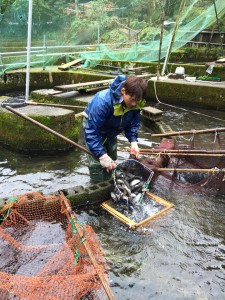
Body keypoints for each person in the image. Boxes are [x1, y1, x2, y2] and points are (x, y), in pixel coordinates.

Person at [83, 75, 147, 183]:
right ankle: (97, 183)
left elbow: (132, 123)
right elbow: (91, 131)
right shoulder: (102, 101)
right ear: (123, 91)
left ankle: (109, 180)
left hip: (112, 128)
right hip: (94, 128)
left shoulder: (135, 103)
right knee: (97, 163)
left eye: (137, 101)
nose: (134, 104)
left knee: (111, 158)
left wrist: (133, 141)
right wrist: (102, 155)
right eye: (132, 100)